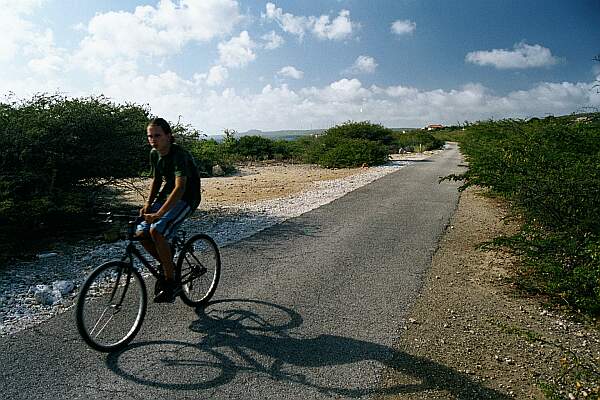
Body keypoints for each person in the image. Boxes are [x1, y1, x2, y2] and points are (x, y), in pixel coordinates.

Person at [136, 117, 201, 303]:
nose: (153, 139)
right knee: (141, 233)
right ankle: (168, 265)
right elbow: (157, 179)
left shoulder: (179, 154)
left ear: (168, 136)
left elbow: (180, 188)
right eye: (150, 136)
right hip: (168, 194)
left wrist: (159, 214)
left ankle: (171, 281)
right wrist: (149, 204)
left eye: (157, 135)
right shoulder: (154, 154)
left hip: (187, 198)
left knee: (156, 229)